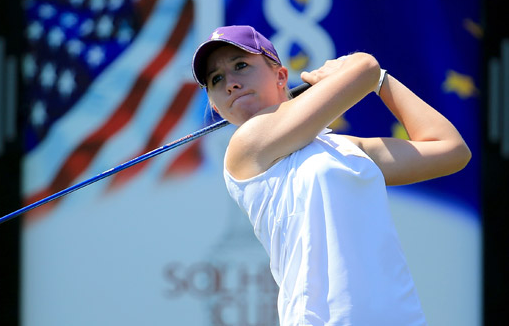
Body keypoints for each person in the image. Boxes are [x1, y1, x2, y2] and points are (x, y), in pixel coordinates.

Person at [191, 25, 471, 325]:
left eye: (241, 65)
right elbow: (364, 65)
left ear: (281, 76)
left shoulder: (342, 148)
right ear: (216, 107)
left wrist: (381, 80)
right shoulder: (246, 145)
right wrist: (351, 70)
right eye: (216, 79)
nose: (230, 83)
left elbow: (451, 150)